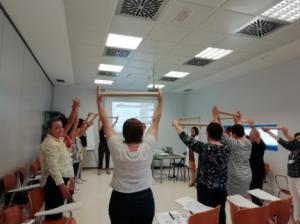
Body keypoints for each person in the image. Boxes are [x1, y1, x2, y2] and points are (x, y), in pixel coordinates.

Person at [96, 86, 162, 224]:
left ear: (124, 133)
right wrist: (160, 100)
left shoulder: (116, 146)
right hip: (144, 200)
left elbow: (105, 122)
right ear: (142, 132)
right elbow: (155, 120)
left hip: (120, 200)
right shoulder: (148, 146)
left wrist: (99, 102)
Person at [172, 116, 230, 224]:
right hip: (221, 190)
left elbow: (186, 138)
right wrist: (217, 123)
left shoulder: (204, 148)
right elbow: (224, 137)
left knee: (205, 215)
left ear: (208, 134)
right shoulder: (227, 148)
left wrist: (176, 124)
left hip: (205, 190)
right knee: (221, 213)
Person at [39, 117, 74, 221]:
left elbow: (64, 161)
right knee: (53, 217)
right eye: (57, 128)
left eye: (61, 127)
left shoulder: (58, 140)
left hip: (60, 182)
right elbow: (53, 167)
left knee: (58, 213)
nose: (61, 129)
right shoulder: (50, 143)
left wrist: (69, 179)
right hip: (54, 184)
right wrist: (62, 187)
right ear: (49, 130)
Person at [263, 126, 300, 220]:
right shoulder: (293, 150)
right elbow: (280, 140)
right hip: (291, 178)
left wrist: (286, 133)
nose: (298, 141)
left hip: (299, 179)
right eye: (297, 139)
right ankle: (297, 219)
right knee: (295, 201)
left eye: (299, 139)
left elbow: (294, 142)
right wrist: (269, 132)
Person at [248, 119, 266, 206]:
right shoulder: (249, 144)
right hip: (251, 172)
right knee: (252, 191)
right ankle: (257, 206)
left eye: (252, 136)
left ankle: (259, 207)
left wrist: (253, 127)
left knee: (257, 191)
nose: (250, 137)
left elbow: (257, 136)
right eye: (250, 135)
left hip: (258, 172)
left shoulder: (261, 145)